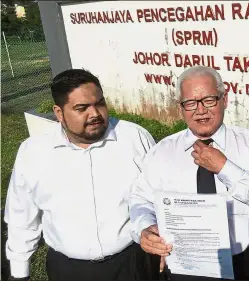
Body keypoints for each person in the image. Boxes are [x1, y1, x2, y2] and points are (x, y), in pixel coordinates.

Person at [129, 65, 249, 280]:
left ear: (224, 99)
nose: (200, 110)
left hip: (242, 261)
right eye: (190, 103)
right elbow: (140, 199)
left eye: (209, 100)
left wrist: (226, 168)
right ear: (180, 107)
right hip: (184, 265)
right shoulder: (163, 152)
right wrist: (145, 228)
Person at [4, 69, 157, 281]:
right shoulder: (34, 153)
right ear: (59, 113)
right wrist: (20, 273)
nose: (95, 114)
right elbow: (22, 216)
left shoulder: (134, 138)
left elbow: (159, 194)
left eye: (100, 103)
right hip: (69, 270)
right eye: (81, 108)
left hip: (132, 263)